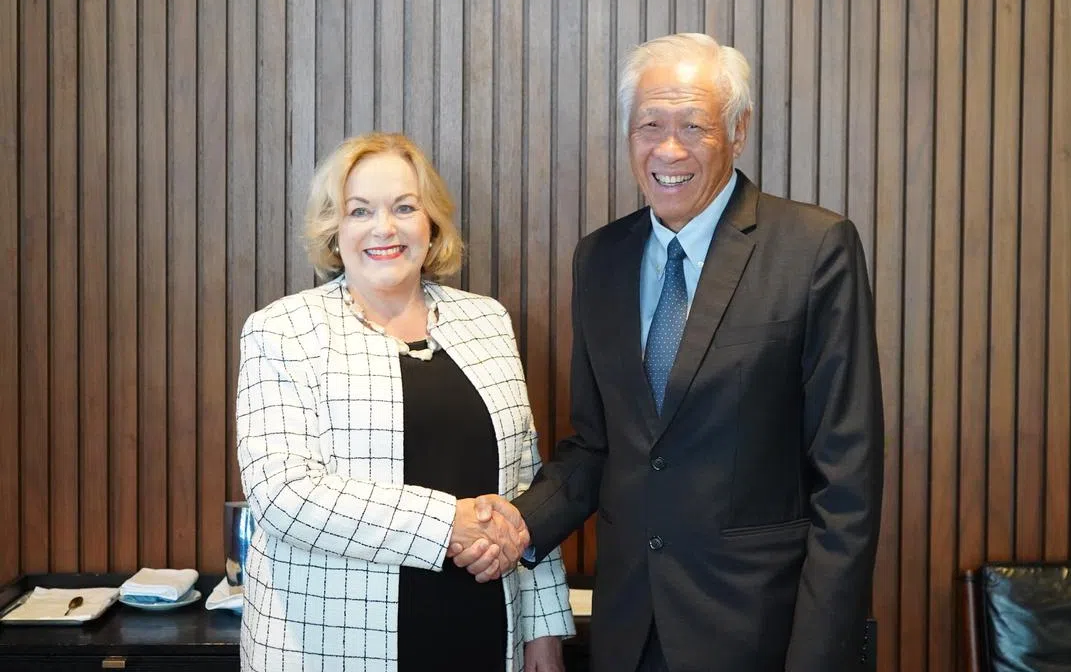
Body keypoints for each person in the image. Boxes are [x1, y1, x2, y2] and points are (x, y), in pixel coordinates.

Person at [454, 33, 884, 671]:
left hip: (762, 633)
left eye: (694, 126)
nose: (669, 149)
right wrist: (519, 524)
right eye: (649, 125)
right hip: (630, 627)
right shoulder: (601, 259)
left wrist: (818, 656)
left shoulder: (814, 249)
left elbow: (846, 481)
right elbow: (600, 446)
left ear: (738, 131)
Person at [236, 132, 574, 672]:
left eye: (404, 208)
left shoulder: (486, 320)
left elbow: (523, 485)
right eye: (360, 211)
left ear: (430, 222)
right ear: (334, 228)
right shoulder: (282, 330)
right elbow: (283, 494)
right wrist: (447, 525)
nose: (384, 228)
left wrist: (545, 626)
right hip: (331, 646)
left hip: (484, 633)